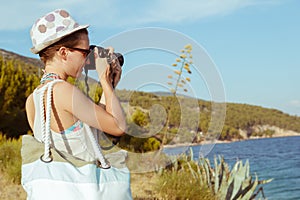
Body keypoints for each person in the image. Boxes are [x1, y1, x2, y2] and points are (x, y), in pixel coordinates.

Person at [22, 9, 132, 199]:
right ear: (64, 53)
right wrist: (105, 82)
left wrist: (110, 86)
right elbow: (118, 126)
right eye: (84, 52)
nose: (88, 58)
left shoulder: (33, 99)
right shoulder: (64, 91)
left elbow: (96, 130)